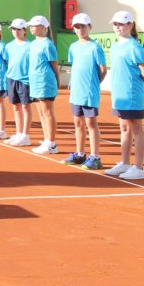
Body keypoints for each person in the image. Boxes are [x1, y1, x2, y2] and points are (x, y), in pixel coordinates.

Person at [104, 11, 144, 180]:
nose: (117, 27)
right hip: (119, 94)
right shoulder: (116, 46)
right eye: (115, 24)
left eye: (121, 24)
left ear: (130, 25)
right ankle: (124, 163)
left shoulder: (134, 47)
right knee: (124, 128)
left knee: (137, 129)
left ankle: (138, 168)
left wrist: (141, 85)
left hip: (131, 94)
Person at [58, 13, 107, 169]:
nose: (80, 30)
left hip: (89, 92)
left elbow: (103, 70)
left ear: (89, 27)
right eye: (77, 27)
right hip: (76, 92)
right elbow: (75, 67)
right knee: (78, 123)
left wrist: (94, 84)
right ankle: (80, 154)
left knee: (91, 123)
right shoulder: (73, 47)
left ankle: (95, 157)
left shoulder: (95, 47)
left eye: (83, 26)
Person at [26, 15, 60, 155]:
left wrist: (57, 82)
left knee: (47, 112)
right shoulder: (33, 43)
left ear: (43, 28)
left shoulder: (47, 44)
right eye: (31, 26)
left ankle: (52, 144)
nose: (31, 28)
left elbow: (54, 65)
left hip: (45, 81)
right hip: (35, 82)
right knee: (41, 112)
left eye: (34, 25)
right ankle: (47, 140)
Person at [2, 18, 32, 146]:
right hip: (11, 78)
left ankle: (25, 135)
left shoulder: (30, 45)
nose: (16, 31)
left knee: (25, 107)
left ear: (24, 31)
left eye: (18, 29)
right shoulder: (8, 46)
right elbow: (7, 61)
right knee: (16, 107)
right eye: (13, 29)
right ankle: (19, 133)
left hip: (25, 80)